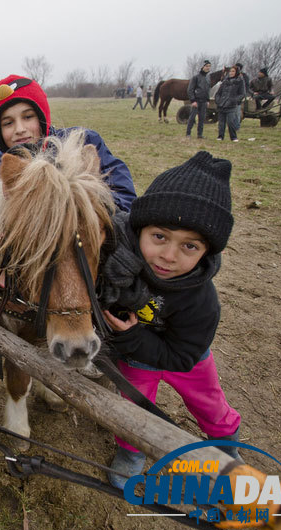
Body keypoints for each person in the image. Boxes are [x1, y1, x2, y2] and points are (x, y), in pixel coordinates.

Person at [101, 151, 242, 489]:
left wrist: (132, 338)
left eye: (189, 246)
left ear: (207, 251)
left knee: (210, 404)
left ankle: (225, 442)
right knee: (133, 410)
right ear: (139, 229)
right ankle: (132, 453)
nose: (168, 255)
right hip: (135, 358)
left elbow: (182, 355)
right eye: (160, 237)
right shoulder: (116, 262)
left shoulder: (201, 301)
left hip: (186, 361)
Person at [0, 75, 136, 275]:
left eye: (28, 117)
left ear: (42, 117)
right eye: (8, 123)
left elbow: (125, 199)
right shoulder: (2, 176)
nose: (20, 129)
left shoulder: (82, 142)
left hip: (94, 260)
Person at [215, 65, 245, 142]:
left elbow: (242, 94)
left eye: (233, 71)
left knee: (231, 122)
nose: (231, 73)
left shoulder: (240, 81)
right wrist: (218, 101)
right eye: (230, 71)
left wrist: (234, 100)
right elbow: (218, 93)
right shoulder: (225, 81)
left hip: (231, 105)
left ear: (236, 72)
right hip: (222, 105)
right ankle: (220, 136)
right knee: (221, 123)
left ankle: (233, 137)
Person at [186, 60, 211, 139]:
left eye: (209, 66)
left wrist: (208, 100)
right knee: (192, 118)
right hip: (196, 101)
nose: (208, 68)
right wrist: (193, 100)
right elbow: (190, 90)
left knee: (202, 118)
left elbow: (207, 90)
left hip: (204, 101)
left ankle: (200, 134)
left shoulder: (207, 78)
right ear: (202, 67)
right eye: (206, 66)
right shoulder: (196, 77)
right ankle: (188, 133)